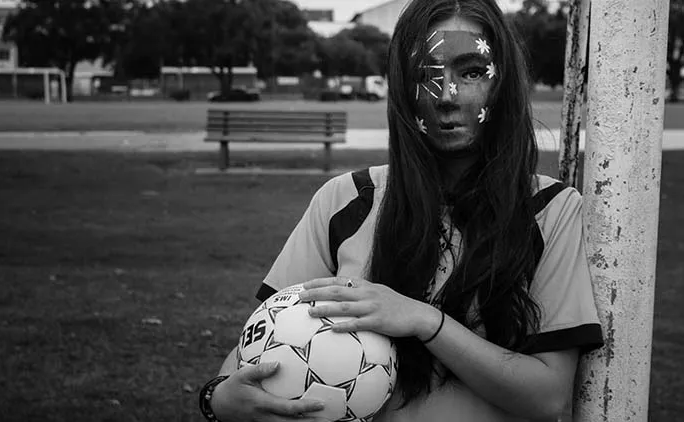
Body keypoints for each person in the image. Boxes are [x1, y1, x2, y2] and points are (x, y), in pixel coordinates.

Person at [198, 0, 604, 420]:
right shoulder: (347, 199)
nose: (447, 96)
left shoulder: (549, 209)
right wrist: (219, 398)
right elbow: (269, 333)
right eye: (426, 75)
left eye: (471, 72)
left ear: (503, 84)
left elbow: (547, 396)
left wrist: (425, 322)